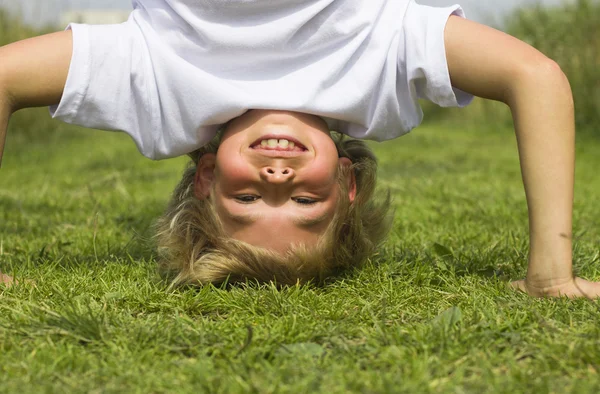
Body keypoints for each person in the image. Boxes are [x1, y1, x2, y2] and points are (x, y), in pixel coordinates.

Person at [0, 0, 599, 297]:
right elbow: (535, 76)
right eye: (306, 199)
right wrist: (551, 270)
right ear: (347, 182)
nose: (279, 175)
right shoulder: (381, 72)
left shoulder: (156, 86)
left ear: (206, 177)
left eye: (248, 196)